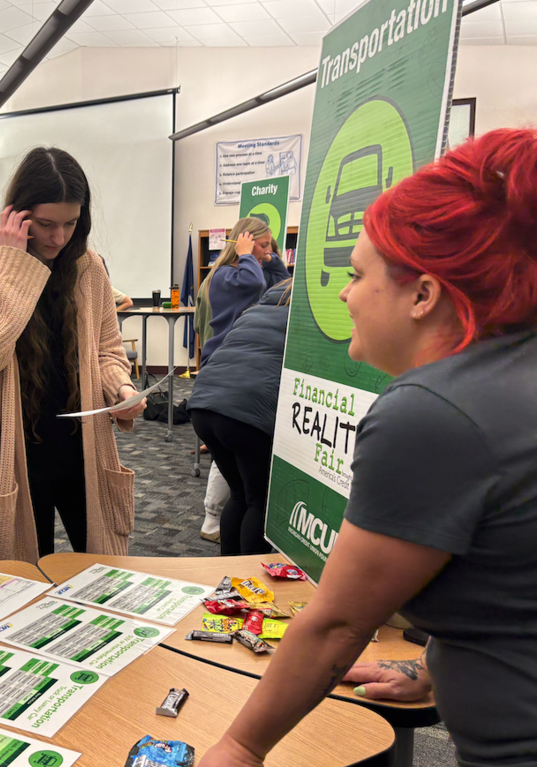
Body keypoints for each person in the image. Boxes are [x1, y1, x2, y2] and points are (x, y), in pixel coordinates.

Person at [198, 128, 537, 766]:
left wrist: (240, 747)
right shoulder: (507, 375)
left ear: (424, 294)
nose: (344, 294)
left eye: (355, 275)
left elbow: (337, 625)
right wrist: (434, 667)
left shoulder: (431, 414)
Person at [0, 147, 145, 562]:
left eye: (71, 224)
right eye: (45, 224)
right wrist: (12, 264)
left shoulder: (87, 267)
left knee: (105, 573)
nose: (59, 238)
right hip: (16, 456)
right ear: (16, 216)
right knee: (19, 585)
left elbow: (107, 351)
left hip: (84, 450)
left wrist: (122, 388)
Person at [188, 280, 293, 555]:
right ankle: (250, 582)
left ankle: (230, 578)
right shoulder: (301, 321)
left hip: (202, 405)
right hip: (244, 412)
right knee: (259, 501)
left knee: (239, 494)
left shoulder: (253, 312)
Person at [198, 217, 289, 363]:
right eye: (264, 245)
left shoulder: (253, 273)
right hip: (226, 356)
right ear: (246, 245)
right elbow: (254, 283)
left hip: (246, 354)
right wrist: (246, 254)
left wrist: (272, 261)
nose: (269, 251)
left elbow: (285, 286)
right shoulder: (225, 275)